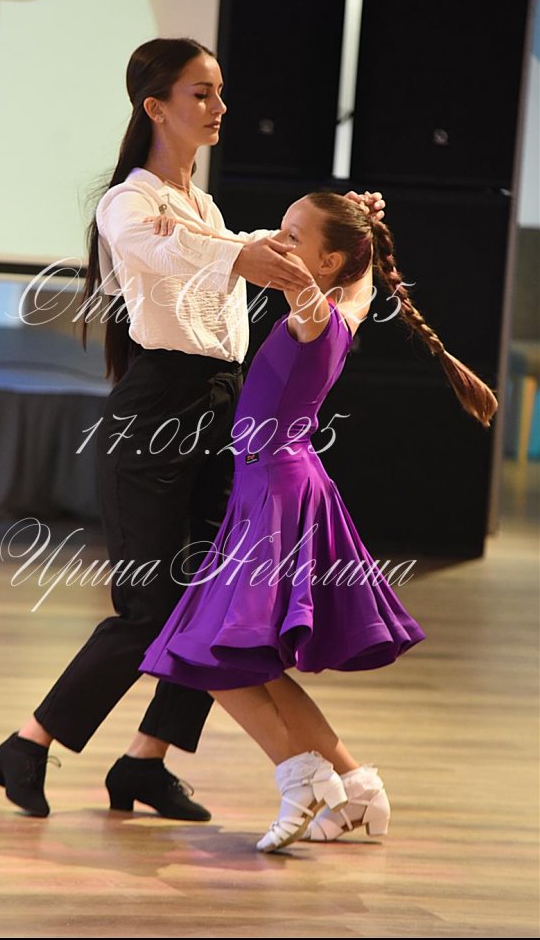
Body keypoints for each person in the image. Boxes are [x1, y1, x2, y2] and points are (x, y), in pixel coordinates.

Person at [0, 37, 385, 822]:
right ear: (155, 107)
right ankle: (28, 743)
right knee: (149, 606)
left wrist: (349, 233)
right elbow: (167, 251)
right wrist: (245, 256)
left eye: (220, 91)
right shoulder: (129, 203)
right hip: (155, 411)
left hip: (220, 412)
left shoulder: (205, 209)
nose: (219, 107)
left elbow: (273, 255)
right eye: (201, 93)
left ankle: (145, 760)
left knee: (215, 605)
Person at [139, 190, 499, 852]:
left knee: (203, 651)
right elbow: (342, 272)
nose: (278, 241)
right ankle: (356, 785)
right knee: (248, 661)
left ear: (326, 263)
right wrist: (364, 232)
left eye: (292, 236)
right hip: (275, 485)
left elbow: (276, 268)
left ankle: (301, 775)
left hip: (275, 492)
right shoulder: (348, 304)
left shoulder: (309, 309)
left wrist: (185, 231)